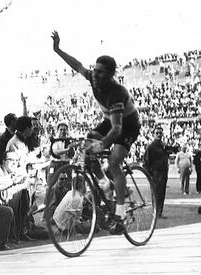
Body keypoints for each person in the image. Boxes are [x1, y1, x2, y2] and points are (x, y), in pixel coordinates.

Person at [51, 31, 141, 235]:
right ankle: (105, 183)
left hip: (127, 124)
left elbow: (117, 129)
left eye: (100, 72)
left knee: (115, 161)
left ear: (110, 75)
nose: (95, 74)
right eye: (95, 70)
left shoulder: (117, 92)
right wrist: (58, 50)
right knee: (86, 145)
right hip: (110, 120)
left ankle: (120, 213)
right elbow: (77, 65)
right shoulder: (93, 77)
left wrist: (102, 144)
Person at [143, 126, 169, 219]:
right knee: (156, 194)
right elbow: (146, 162)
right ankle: (155, 213)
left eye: (160, 133)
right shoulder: (151, 147)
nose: (159, 135)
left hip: (163, 173)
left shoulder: (163, 145)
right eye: (157, 133)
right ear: (153, 135)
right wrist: (149, 175)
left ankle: (159, 213)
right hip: (155, 174)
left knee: (162, 194)